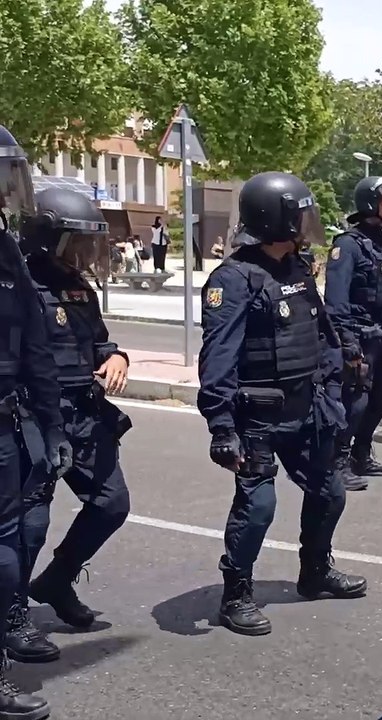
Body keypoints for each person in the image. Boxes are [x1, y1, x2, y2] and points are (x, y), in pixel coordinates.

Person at [198, 171, 365, 636]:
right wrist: (221, 425)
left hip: (307, 408)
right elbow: (218, 357)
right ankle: (235, 593)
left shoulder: (296, 267)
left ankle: (314, 571)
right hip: (259, 416)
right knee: (259, 507)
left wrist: (336, 380)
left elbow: (320, 333)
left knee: (330, 492)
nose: (305, 225)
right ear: (274, 220)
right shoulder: (233, 280)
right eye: (299, 216)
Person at [7, 187, 133, 666]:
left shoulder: (79, 288)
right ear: (46, 239)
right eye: (73, 242)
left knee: (110, 504)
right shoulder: (16, 286)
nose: (83, 254)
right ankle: (13, 615)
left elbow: (97, 341)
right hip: (35, 414)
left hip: (85, 412)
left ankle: (57, 580)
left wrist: (116, 355)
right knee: (30, 522)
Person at [0, 124, 65, 718]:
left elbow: (35, 346)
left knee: (6, 551)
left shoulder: (4, 248)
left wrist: (51, 423)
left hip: (4, 424)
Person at [325, 175, 382, 489]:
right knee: (355, 401)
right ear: (369, 205)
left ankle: (361, 454)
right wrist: (347, 342)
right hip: (361, 335)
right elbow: (335, 300)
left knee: (380, 400)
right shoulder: (348, 245)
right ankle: (336, 462)